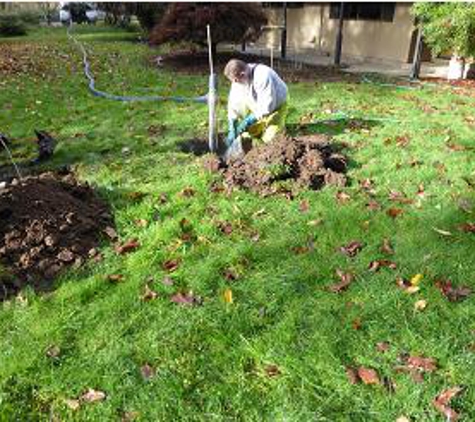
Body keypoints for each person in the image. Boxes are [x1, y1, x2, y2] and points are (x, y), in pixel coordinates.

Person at [223, 59, 288, 158]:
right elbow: (233, 102)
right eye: (233, 81)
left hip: (276, 106)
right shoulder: (238, 79)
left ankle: (273, 145)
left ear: (243, 74)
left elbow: (267, 107)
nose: (235, 83)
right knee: (250, 133)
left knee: (271, 139)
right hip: (256, 105)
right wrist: (233, 124)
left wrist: (248, 121)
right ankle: (250, 148)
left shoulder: (263, 76)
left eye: (236, 80)